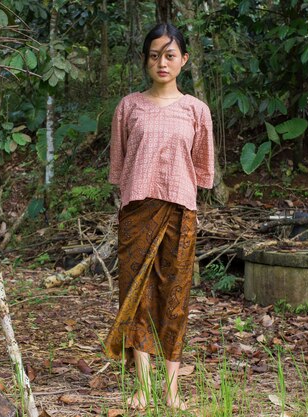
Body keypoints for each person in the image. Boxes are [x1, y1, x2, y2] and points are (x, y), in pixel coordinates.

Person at [104, 22, 215, 411]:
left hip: (180, 211)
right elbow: (119, 165)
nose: (162, 62)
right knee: (137, 296)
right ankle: (143, 387)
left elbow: (202, 169)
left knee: (174, 298)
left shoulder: (196, 111)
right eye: (154, 55)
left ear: (183, 60)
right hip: (136, 211)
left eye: (170, 55)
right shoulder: (128, 106)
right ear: (145, 60)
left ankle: (171, 390)